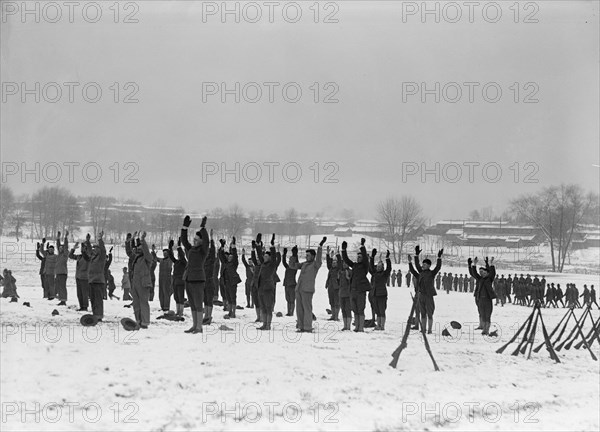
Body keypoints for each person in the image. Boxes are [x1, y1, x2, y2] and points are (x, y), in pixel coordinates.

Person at [290, 236, 326, 333]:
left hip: (307, 290)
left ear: (313, 256)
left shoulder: (315, 265)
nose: (306, 257)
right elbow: (292, 266)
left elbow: (319, 259)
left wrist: (320, 246)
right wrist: (294, 255)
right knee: (299, 309)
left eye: (308, 255)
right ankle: (301, 326)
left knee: (307, 309)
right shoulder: (304, 264)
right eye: (306, 255)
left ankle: (307, 327)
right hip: (299, 289)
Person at [180, 215, 209, 334]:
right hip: (189, 279)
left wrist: (202, 227)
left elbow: (206, 240)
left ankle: (199, 327)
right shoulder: (191, 249)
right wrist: (184, 227)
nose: (194, 241)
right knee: (192, 304)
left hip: (198, 280)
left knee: (198, 304)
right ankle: (194, 325)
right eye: (194, 240)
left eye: (197, 240)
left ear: (201, 241)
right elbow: (184, 241)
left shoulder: (203, 250)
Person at [408, 246, 443, 334]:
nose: (422, 265)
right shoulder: (420, 273)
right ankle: (423, 329)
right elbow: (414, 268)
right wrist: (415, 257)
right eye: (422, 264)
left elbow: (438, 267)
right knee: (423, 313)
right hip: (421, 295)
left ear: (428, 266)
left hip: (429, 296)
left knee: (429, 314)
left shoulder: (431, 273)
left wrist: (439, 258)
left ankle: (430, 329)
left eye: (424, 264)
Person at [341, 238, 370, 332]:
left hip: (361, 291)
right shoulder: (354, 266)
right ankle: (356, 326)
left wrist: (362, 246)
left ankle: (360, 327)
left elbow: (365, 258)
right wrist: (344, 250)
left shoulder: (365, 266)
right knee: (354, 309)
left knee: (360, 309)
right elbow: (346, 259)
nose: (358, 258)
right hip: (352, 290)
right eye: (358, 257)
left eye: (360, 257)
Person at [255, 234, 281, 330]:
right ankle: (264, 324)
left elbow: (274, 257)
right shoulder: (263, 264)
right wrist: (257, 245)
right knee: (263, 307)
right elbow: (259, 255)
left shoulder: (271, 265)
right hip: (261, 288)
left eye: (266, 256)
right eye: (264, 256)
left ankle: (268, 325)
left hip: (268, 288)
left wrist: (272, 246)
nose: (264, 258)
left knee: (268, 307)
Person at [130, 232, 154, 329]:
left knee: (143, 302)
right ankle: (138, 320)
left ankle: (145, 322)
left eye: (140, 249)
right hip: (135, 283)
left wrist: (142, 241)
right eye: (138, 248)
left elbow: (146, 251)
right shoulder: (136, 259)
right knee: (136, 302)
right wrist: (132, 240)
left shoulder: (147, 258)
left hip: (143, 283)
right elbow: (131, 250)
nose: (138, 250)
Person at [469, 256, 496, 335]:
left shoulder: (489, 279)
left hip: (487, 300)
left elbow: (493, 273)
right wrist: (474, 264)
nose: (482, 274)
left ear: (487, 273)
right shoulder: (480, 279)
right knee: (482, 314)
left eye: (484, 273)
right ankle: (484, 328)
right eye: (481, 273)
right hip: (480, 300)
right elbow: (474, 273)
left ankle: (486, 330)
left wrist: (491, 264)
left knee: (488, 315)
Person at [84, 231, 107, 321]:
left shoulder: (101, 258)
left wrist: (100, 240)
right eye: (94, 248)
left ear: (99, 250)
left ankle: (99, 315)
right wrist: (88, 241)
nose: (94, 250)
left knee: (98, 299)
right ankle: (95, 314)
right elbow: (89, 251)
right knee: (93, 299)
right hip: (92, 281)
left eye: (96, 248)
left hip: (98, 281)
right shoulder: (92, 258)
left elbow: (103, 250)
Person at [219, 237, 242, 319]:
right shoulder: (225, 263)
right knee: (228, 297)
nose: (229, 258)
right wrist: (222, 246)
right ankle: (230, 311)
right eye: (229, 257)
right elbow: (221, 256)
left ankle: (233, 313)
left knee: (233, 297)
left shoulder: (234, 263)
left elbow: (235, 255)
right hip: (226, 282)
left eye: (231, 257)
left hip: (232, 283)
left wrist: (233, 246)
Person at [369, 249, 391, 330]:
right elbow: (371, 266)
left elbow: (389, 268)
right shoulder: (374, 273)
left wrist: (387, 258)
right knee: (377, 311)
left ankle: (382, 326)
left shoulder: (384, 274)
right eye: (377, 266)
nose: (378, 268)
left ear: (382, 267)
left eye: (379, 266)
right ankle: (378, 325)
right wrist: (372, 257)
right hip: (375, 294)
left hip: (382, 295)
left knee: (382, 311)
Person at [69, 235, 91, 311]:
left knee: (85, 293)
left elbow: (88, 253)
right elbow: (70, 256)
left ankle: (85, 306)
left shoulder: (88, 257)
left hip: (85, 277)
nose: (82, 249)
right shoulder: (80, 257)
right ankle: (81, 306)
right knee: (79, 293)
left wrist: (88, 241)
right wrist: (73, 249)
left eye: (84, 248)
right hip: (78, 277)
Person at [168, 238, 187, 318]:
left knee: (181, 297)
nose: (178, 256)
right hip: (175, 281)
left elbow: (182, 255)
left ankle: (181, 312)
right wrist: (170, 247)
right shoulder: (176, 262)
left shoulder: (184, 262)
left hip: (181, 282)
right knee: (176, 297)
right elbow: (171, 256)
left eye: (179, 255)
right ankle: (177, 311)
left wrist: (179, 246)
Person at [203, 232, 216, 324]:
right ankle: (205, 315)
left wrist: (211, 240)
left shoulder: (211, 261)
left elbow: (213, 251)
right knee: (205, 299)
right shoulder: (203, 261)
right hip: (203, 281)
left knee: (209, 299)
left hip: (210, 281)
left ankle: (209, 316)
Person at [281, 246, 299, 316]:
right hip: (286, 284)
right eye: (289, 261)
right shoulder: (288, 267)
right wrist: (284, 254)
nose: (289, 262)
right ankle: (289, 312)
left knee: (292, 300)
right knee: (288, 299)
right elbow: (284, 262)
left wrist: (295, 253)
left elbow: (296, 261)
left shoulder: (295, 267)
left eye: (291, 261)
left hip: (292, 285)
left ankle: (291, 312)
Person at [325, 246, 341, 321]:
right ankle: (333, 315)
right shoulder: (331, 269)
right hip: (330, 287)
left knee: (337, 302)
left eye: (335, 263)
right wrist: (328, 254)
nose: (333, 264)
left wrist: (338, 254)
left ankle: (336, 316)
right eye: (333, 263)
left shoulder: (339, 269)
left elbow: (340, 262)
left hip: (337, 287)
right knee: (331, 301)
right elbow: (328, 263)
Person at [157, 244, 173, 312]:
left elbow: (172, 256)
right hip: (161, 279)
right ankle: (162, 306)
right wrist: (153, 252)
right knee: (161, 293)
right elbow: (155, 258)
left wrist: (170, 248)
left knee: (166, 292)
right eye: (164, 253)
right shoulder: (162, 260)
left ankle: (166, 307)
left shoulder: (170, 260)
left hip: (167, 278)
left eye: (166, 253)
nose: (164, 254)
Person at [338, 253, 352, 331]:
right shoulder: (340, 272)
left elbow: (352, 282)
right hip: (341, 293)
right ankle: (345, 325)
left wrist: (348, 278)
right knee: (343, 310)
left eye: (345, 263)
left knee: (348, 309)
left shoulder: (350, 272)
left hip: (348, 294)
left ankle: (348, 326)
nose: (344, 264)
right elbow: (339, 282)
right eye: (343, 263)